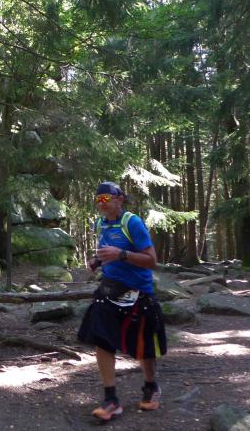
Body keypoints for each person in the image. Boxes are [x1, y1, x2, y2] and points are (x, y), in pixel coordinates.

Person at [77, 181, 167, 422]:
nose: (100, 204)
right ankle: (111, 399)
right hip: (109, 291)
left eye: (105, 199)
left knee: (144, 346)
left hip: (139, 293)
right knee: (102, 340)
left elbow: (151, 260)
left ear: (119, 199)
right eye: (97, 199)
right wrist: (97, 261)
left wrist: (122, 255)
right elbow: (106, 253)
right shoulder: (101, 224)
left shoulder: (132, 223)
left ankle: (151, 386)